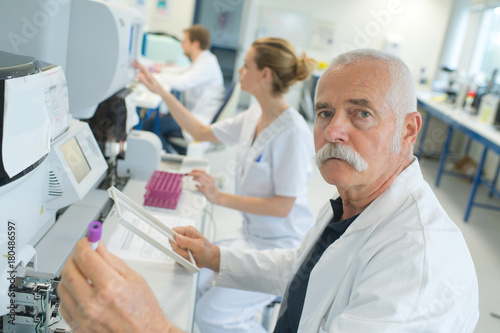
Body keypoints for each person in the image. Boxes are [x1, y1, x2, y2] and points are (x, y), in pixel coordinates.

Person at [58, 49, 479, 333]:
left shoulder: (417, 261)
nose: (334, 131)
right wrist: (215, 257)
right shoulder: (352, 203)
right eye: (325, 112)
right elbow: (301, 272)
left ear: (408, 130)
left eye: (361, 113)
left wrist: (151, 327)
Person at [136, 37, 316, 332]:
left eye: (247, 66)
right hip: (249, 238)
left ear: (265, 74)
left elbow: (283, 206)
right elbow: (200, 131)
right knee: (188, 284)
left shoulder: (292, 132)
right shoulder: (254, 115)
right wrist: (160, 90)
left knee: (211, 316)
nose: (240, 72)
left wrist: (219, 197)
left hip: (280, 251)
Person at [142, 24, 225, 153]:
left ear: (195, 44)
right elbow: (182, 71)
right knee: (155, 120)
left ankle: (168, 157)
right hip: (193, 115)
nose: (182, 46)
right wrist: (159, 70)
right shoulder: (204, 60)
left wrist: (152, 78)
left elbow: (182, 82)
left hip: (198, 121)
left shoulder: (207, 64)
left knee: (149, 125)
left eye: (185, 42)